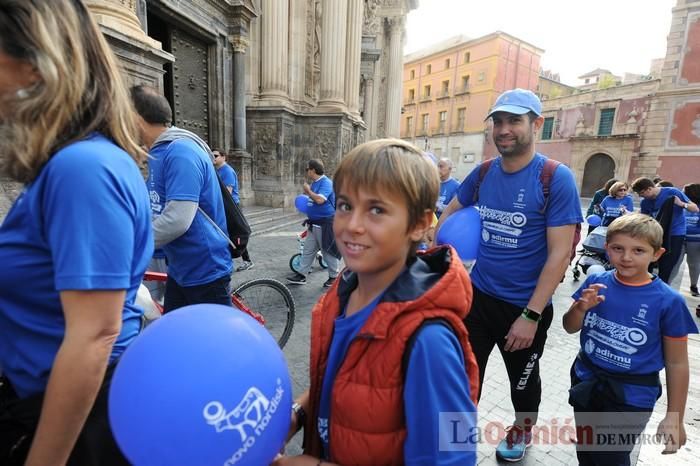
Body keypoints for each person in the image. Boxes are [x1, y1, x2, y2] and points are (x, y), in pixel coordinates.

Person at [0, 1, 152, 464]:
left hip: (69, 417)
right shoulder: (77, 164)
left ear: (34, 63)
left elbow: (94, 335)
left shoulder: (82, 168)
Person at [273, 139, 479, 466]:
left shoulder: (431, 343)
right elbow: (342, 382)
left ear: (420, 224)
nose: (353, 225)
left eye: (377, 210)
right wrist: (297, 414)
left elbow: (454, 458)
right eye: (344, 205)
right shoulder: (343, 291)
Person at [436, 88, 583, 462]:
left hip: (525, 306)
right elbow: (448, 216)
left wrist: (531, 316)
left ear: (536, 124)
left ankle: (521, 429)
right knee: (466, 374)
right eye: (498, 122)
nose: (504, 129)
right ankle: (458, 436)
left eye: (514, 121)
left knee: (523, 382)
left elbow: (559, 254)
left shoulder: (554, 177)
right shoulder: (483, 173)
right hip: (479, 298)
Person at [563, 213, 698, 465]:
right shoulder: (596, 282)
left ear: (656, 254)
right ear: (607, 249)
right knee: (587, 451)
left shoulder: (668, 301)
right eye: (618, 248)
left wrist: (674, 416)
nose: (626, 257)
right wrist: (580, 308)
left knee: (611, 458)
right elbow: (569, 327)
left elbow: (677, 363)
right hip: (586, 380)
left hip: (630, 395)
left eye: (638, 250)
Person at [130, 85, 232, 312]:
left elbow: (177, 219)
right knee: (176, 337)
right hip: (180, 269)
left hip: (205, 272)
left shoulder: (180, 152)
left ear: (135, 118)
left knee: (214, 343)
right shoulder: (157, 153)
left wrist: (129, 244)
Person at [631, 177, 698, 284]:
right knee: (647, 263)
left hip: (675, 234)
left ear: (649, 189)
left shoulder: (672, 192)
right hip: (656, 234)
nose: (640, 196)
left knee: (666, 266)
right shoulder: (645, 202)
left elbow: (694, 208)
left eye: (641, 193)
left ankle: (661, 290)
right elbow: (644, 219)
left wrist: (681, 204)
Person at [286, 159, 341, 288]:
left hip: (325, 224)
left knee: (327, 251)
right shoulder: (315, 183)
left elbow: (320, 200)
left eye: (307, 169)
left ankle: (334, 277)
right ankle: (301, 275)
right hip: (314, 223)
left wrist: (308, 191)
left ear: (313, 170)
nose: (306, 172)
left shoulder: (326, 182)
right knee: (308, 250)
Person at [213, 148, 253, 271]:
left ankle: (246, 260)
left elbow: (228, 193)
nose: (213, 158)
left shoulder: (227, 171)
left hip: (231, 207)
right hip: (225, 207)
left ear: (223, 157)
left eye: (216, 155)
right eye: (212, 155)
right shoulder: (217, 170)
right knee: (229, 234)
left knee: (235, 233)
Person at [682, 184, 700, 297]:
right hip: (680, 239)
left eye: (684, 191)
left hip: (696, 240)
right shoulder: (682, 204)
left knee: (694, 264)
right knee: (674, 264)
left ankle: (693, 285)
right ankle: (666, 286)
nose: (682, 193)